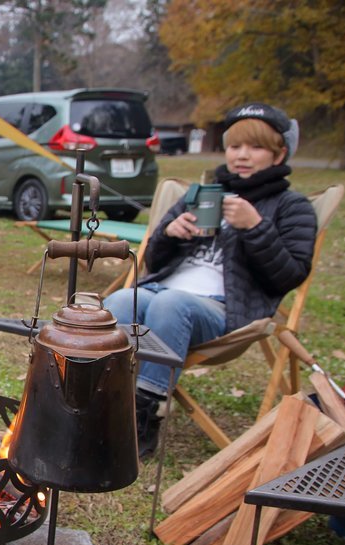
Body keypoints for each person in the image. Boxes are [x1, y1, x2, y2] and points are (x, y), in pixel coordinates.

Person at [104, 102, 316, 458]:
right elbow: (152, 261)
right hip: (162, 290)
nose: (242, 155)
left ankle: (144, 415)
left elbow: (288, 276)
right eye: (235, 146)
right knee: (119, 303)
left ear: (279, 155)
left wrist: (256, 228)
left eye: (256, 147)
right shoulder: (202, 195)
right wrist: (169, 234)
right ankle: (105, 405)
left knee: (170, 305)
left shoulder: (291, 207)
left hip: (223, 309)